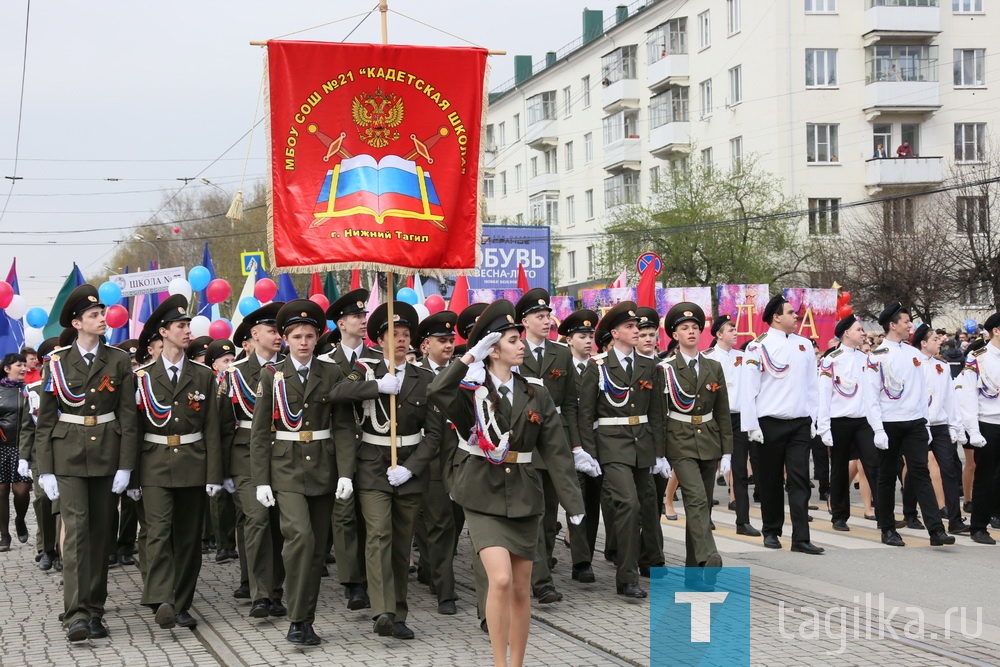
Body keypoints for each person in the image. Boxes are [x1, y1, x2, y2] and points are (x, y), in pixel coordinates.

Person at [428, 299, 584, 667]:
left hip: (525, 497)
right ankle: (500, 662)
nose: (522, 346)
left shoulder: (536, 393)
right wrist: (466, 359)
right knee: (498, 580)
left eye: (520, 339)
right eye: (513, 340)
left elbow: (558, 453)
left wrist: (574, 507)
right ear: (492, 348)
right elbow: (436, 392)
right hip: (482, 494)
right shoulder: (471, 392)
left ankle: (517, 663)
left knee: (519, 588)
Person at [251, 299, 360, 645]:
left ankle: (304, 620)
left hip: (324, 468)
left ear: (317, 338)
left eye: (309, 336)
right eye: (296, 335)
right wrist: (261, 481)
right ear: (285, 338)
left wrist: (345, 473)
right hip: (285, 467)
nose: (303, 342)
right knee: (299, 538)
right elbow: (258, 432)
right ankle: (295, 616)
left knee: (315, 551)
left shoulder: (331, 373)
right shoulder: (273, 376)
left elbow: (343, 427)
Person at [34, 284, 138, 642]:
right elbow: (46, 420)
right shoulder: (58, 362)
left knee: (101, 535)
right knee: (77, 534)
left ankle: (95, 609)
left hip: (108, 454)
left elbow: (127, 415)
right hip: (69, 455)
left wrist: (126, 465)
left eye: (102, 313)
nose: (101, 319)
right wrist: (44, 469)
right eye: (93, 315)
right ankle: (76, 613)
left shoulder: (119, 360)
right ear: (77, 323)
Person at [339, 301, 437, 639]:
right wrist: (376, 386)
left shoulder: (423, 377)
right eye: (392, 335)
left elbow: (434, 434)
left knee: (400, 542)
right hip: (371, 465)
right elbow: (336, 393)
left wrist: (411, 469)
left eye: (405, 335)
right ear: (379, 340)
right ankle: (381, 610)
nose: (399, 340)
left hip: (408, 466)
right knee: (378, 535)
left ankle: (398, 612)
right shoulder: (365, 370)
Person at [134, 294, 224, 630]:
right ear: (164, 332)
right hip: (154, 464)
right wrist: (130, 477)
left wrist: (214, 473)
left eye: (188, 325)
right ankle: (162, 599)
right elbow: (134, 429)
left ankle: (182, 602)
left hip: (192, 463)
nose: (187, 331)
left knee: (188, 538)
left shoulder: (202, 375)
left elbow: (212, 428)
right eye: (180, 325)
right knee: (157, 533)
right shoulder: (142, 377)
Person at [578, 301, 666, 597]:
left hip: (641, 443)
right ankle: (627, 578)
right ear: (614, 333)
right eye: (629, 327)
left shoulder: (648, 365)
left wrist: (659, 453)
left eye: (637, 327)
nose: (635, 331)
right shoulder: (598, 367)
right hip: (611, 444)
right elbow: (585, 413)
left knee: (646, 505)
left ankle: (643, 560)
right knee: (628, 503)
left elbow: (655, 412)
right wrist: (589, 453)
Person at [514, 288, 587, 604]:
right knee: (533, 511)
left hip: (553, 440)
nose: (546, 321)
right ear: (525, 321)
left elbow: (570, 403)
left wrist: (575, 445)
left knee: (548, 518)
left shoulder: (561, 354)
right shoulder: (514, 352)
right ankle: (539, 581)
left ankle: (541, 575)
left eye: (548, 316)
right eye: (539, 317)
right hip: (526, 439)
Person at [741, 294, 824, 554]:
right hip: (769, 422)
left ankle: (801, 537)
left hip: (799, 422)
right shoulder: (758, 346)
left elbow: (812, 385)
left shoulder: (805, 345)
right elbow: (748, 389)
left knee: (800, 479)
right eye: (790, 312)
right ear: (776, 316)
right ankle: (772, 530)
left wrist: (813, 417)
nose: (795, 316)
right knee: (771, 479)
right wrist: (751, 425)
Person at [867, 301, 953, 547]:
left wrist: (924, 423)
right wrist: (878, 429)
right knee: (886, 477)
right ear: (892, 325)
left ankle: (936, 530)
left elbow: (920, 392)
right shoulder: (877, 357)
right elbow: (871, 396)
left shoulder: (914, 354)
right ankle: (888, 528)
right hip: (889, 422)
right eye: (905, 321)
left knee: (920, 472)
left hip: (914, 422)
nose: (910, 325)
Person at [221, 302, 287, 617]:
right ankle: (260, 593)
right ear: (254, 334)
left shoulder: (290, 366)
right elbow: (220, 426)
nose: (279, 336)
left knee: (278, 524)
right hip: (245, 455)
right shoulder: (233, 374)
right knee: (258, 519)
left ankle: (275, 590)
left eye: (280, 331)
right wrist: (220, 471)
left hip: (284, 454)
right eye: (273, 331)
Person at [659, 303, 731, 573]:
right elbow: (660, 413)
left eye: (695, 328)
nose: (690, 332)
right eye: (684, 328)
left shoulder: (713, 367)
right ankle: (709, 555)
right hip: (679, 441)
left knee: (701, 508)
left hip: (709, 441)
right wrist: (660, 453)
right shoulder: (665, 369)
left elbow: (722, 411)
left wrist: (727, 452)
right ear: (674, 335)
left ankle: (693, 570)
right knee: (697, 499)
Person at [322, 288, 374, 611]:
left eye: (364, 315)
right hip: (340, 446)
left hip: (372, 445)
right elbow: (331, 397)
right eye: (356, 316)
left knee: (369, 516)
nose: (362, 320)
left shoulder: (376, 358)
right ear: (341, 323)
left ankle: (370, 577)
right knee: (343, 516)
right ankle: (353, 583)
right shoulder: (327, 362)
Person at [412, 309, 464, 615]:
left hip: (460, 459)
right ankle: (447, 591)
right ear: (424, 346)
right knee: (439, 526)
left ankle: (431, 570)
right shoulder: (416, 376)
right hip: (429, 462)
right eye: (441, 340)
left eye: (450, 340)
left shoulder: (464, 372)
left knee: (452, 525)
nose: (448, 345)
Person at [817, 314, 881, 532]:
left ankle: (884, 514)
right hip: (839, 421)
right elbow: (824, 396)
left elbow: (873, 393)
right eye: (859, 329)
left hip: (864, 421)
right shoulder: (831, 360)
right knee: (839, 469)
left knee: (873, 464)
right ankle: (839, 515)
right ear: (846, 333)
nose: (863, 333)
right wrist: (823, 427)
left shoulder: (867, 359)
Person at [558, 309, 605, 583]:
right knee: (575, 502)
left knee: (592, 503)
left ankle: (586, 551)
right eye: (581, 336)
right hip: (565, 444)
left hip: (594, 443)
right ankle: (581, 561)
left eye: (590, 335)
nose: (588, 340)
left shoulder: (598, 368)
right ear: (568, 340)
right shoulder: (561, 367)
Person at [703, 314, 760, 537]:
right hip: (714, 417)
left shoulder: (744, 357)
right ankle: (705, 517)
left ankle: (742, 521)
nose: (735, 332)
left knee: (740, 470)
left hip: (737, 419)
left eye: (735, 328)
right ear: (718, 334)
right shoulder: (706, 357)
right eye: (730, 329)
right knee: (709, 468)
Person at [909, 324, 968, 535]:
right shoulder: (912, 364)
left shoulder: (941, 366)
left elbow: (949, 398)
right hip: (918, 425)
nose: (939, 342)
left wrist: (955, 426)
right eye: (935, 339)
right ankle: (910, 513)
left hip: (940, 425)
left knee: (950, 470)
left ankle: (955, 519)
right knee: (917, 470)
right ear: (923, 342)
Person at [17, 337, 60, 570]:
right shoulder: (32, 390)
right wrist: (23, 457)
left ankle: (63, 549)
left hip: (65, 450)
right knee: (43, 499)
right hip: (39, 454)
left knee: (63, 502)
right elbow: (27, 428)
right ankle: (46, 548)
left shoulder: (68, 387)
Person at [958, 312, 1000, 545]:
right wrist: (972, 430)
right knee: (985, 477)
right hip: (988, 423)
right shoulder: (978, 357)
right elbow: (968, 397)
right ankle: (979, 527)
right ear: (996, 330)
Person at [634, 306, 665, 576]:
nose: (646, 339)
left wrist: (662, 452)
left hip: (661, 444)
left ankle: (652, 554)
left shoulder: (664, 365)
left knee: (655, 505)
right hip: (636, 443)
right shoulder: (626, 366)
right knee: (639, 503)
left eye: (651, 334)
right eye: (641, 334)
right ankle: (647, 557)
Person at [0, 352, 31, 551]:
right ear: (7, 368)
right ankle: (4, 534)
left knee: (21, 491)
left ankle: (20, 519)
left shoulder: (30, 390)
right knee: (1, 491)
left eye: (24, 364)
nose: (23, 368)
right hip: (1, 448)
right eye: (18, 365)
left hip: (23, 448)